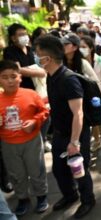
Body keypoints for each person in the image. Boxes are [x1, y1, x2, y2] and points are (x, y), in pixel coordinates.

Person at [34, 35, 96, 218]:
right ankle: (70, 195)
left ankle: (88, 200)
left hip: (75, 135)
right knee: (59, 170)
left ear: (48, 59)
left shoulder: (68, 80)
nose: (36, 58)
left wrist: (75, 142)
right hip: (60, 134)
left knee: (79, 170)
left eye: (38, 55)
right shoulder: (51, 76)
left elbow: (78, 113)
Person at [0, 60, 49, 216]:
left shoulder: (31, 94)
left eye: (13, 76)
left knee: (37, 170)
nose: (9, 81)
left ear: (20, 77)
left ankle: (41, 196)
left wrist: (35, 121)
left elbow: (44, 111)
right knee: (16, 174)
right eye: (4, 77)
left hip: (31, 141)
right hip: (8, 144)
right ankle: (22, 198)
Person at [80, 35, 101, 162]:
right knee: (92, 122)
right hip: (85, 98)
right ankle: (97, 141)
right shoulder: (79, 62)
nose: (82, 49)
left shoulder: (100, 61)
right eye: (80, 47)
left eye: (84, 47)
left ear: (91, 48)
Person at [3, 23, 46, 90]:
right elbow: (17, 69)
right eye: (21, 35)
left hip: (36, 88)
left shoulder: (29, 49)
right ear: (13, 38)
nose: (25, 37)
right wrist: (39, 72)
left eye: (25, 34)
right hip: (22, 88)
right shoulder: (10, 51)